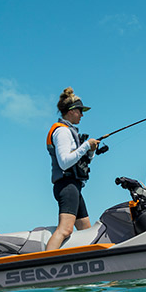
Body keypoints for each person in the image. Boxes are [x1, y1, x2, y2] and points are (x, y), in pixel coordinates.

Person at [45, 87, 100, 251]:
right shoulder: (62, 131)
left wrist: (90, 151)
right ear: (71, 111)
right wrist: (85, 146)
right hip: (66, 186)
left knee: (86, 231)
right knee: (65, 230)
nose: (82, 115)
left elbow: (79, 160)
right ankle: (46, 262)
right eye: (80, 111)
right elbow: (64, 163)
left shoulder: (69, 131)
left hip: (74, 187)